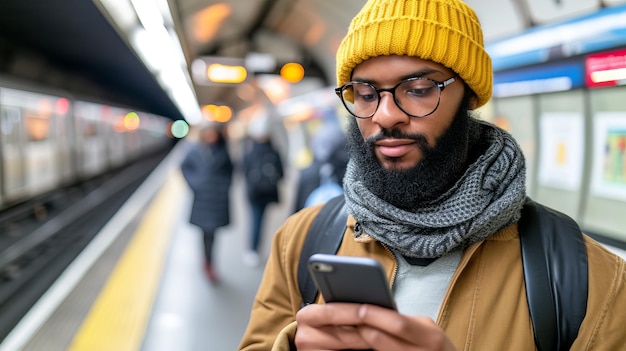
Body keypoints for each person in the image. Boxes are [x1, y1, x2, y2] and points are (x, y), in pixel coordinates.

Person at [239, 0, 626, 350]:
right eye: (366, 93)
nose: (385, 116)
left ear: (470, 95)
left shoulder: (591, 280)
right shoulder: (301, 239)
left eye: (419, 89)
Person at [180, 123, 233, 283]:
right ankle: (207, 262)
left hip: (217, 199)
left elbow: (230, 171)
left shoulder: (222, 151)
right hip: (203, 199)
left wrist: (224, 186)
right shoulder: (194, 151)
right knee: (206, 233)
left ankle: (209, 262)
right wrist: (195, 184)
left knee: (212, 234)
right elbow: (183, 167)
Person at [242, 112, 284, 267]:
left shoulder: (249, 149)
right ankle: (256, 249)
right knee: (261, 220)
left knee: (255, 219)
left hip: (253, 192)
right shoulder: (273, 149)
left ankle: (253, 250)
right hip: (267, 192)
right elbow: (281, 172)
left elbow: (244, 171)